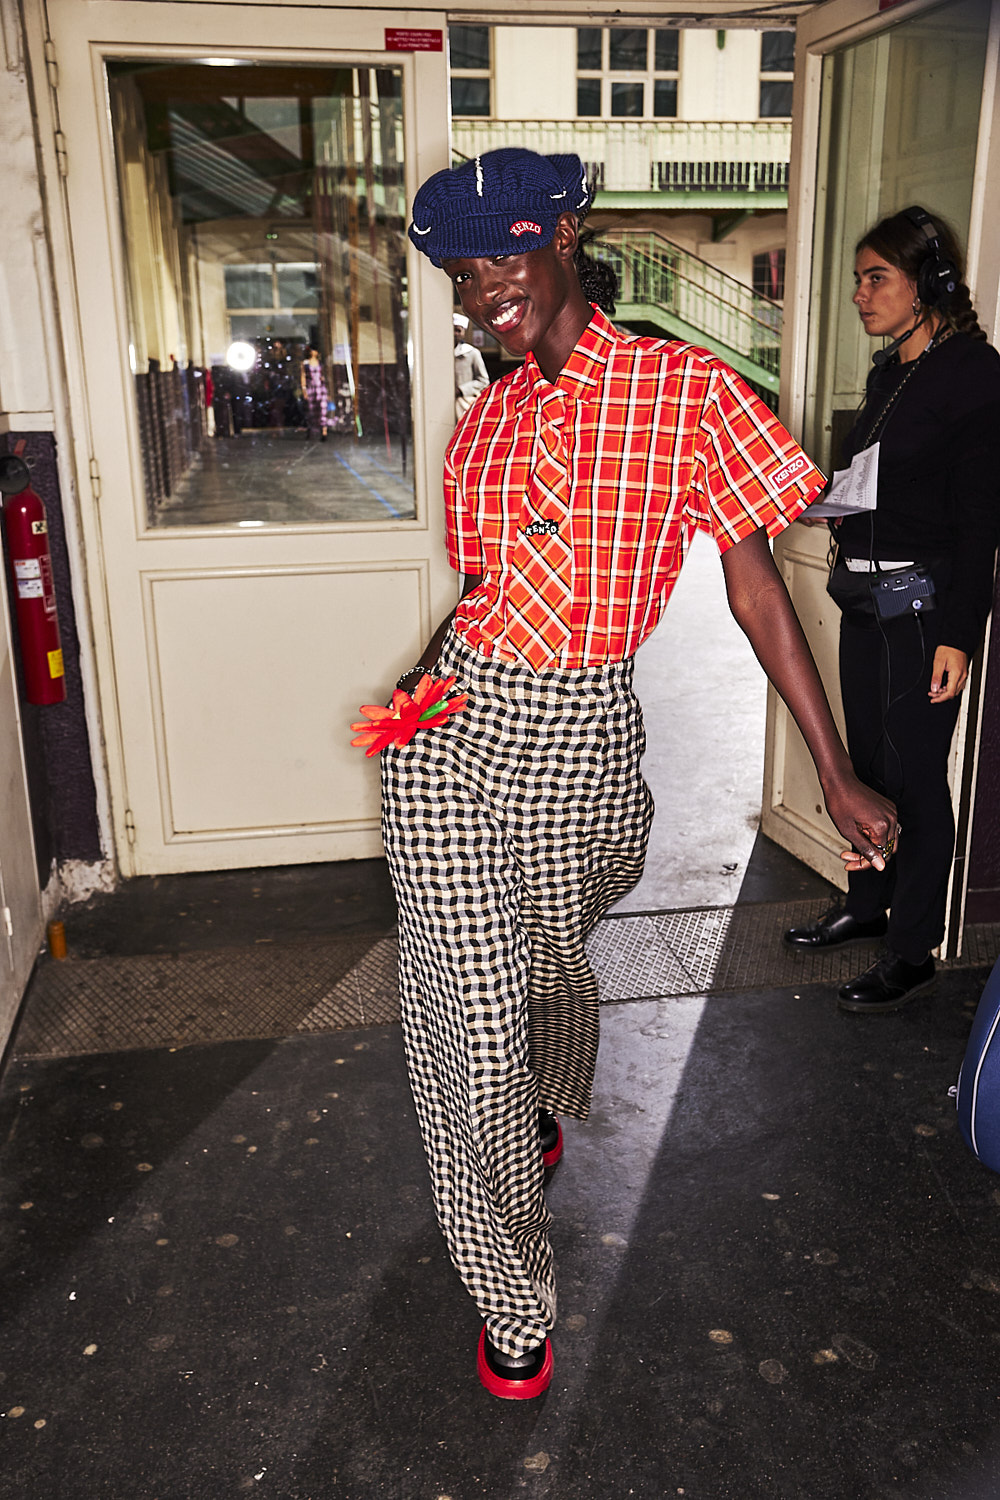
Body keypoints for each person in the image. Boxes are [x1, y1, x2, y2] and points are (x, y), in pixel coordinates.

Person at [386, 148, 896, 1400]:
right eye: (460, 275)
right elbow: (480, 596)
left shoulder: (687, 391)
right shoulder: (484, 423)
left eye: (497, 255)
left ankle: (539, 1099)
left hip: (584, 744)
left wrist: (833, 772)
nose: (480, 291)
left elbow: (754, 583)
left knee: (546, 961)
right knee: (464, 1012)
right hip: (450, 728)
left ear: (564, 235)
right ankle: (512, 1291)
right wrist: (416, 698)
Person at [785, 207, 1000, 1013]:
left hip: (921, 603)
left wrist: (959, 635)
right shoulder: (887, 374)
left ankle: (912, 949)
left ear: (931, 283)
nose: (859, 294)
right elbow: (879, 482)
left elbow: (982, 524)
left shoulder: (976, 377)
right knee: (868, 768)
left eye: (875, 278)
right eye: (857, 279)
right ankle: (868, 907)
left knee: (914, 781)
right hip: (865, 596)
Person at [453, 312, 490, 420]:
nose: (455, 333)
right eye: (452, 330)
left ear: (464, 332)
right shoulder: (440, 354)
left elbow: (483, 380)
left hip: (464, 404)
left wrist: (461, 390)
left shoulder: (471, 353)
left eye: (458, 330)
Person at [300, 345, 329, 440]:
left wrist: (326, 389)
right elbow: (303, 376)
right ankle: (311, 431)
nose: (313, 352)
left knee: (323, 409)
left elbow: (323, 375)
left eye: (315, 350)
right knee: (311, 410)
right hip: (311, 388)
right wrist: (304, 390)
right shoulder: (305, 363)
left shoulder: (320, 363)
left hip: (320, 388)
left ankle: (324, 432)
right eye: (312, 350)